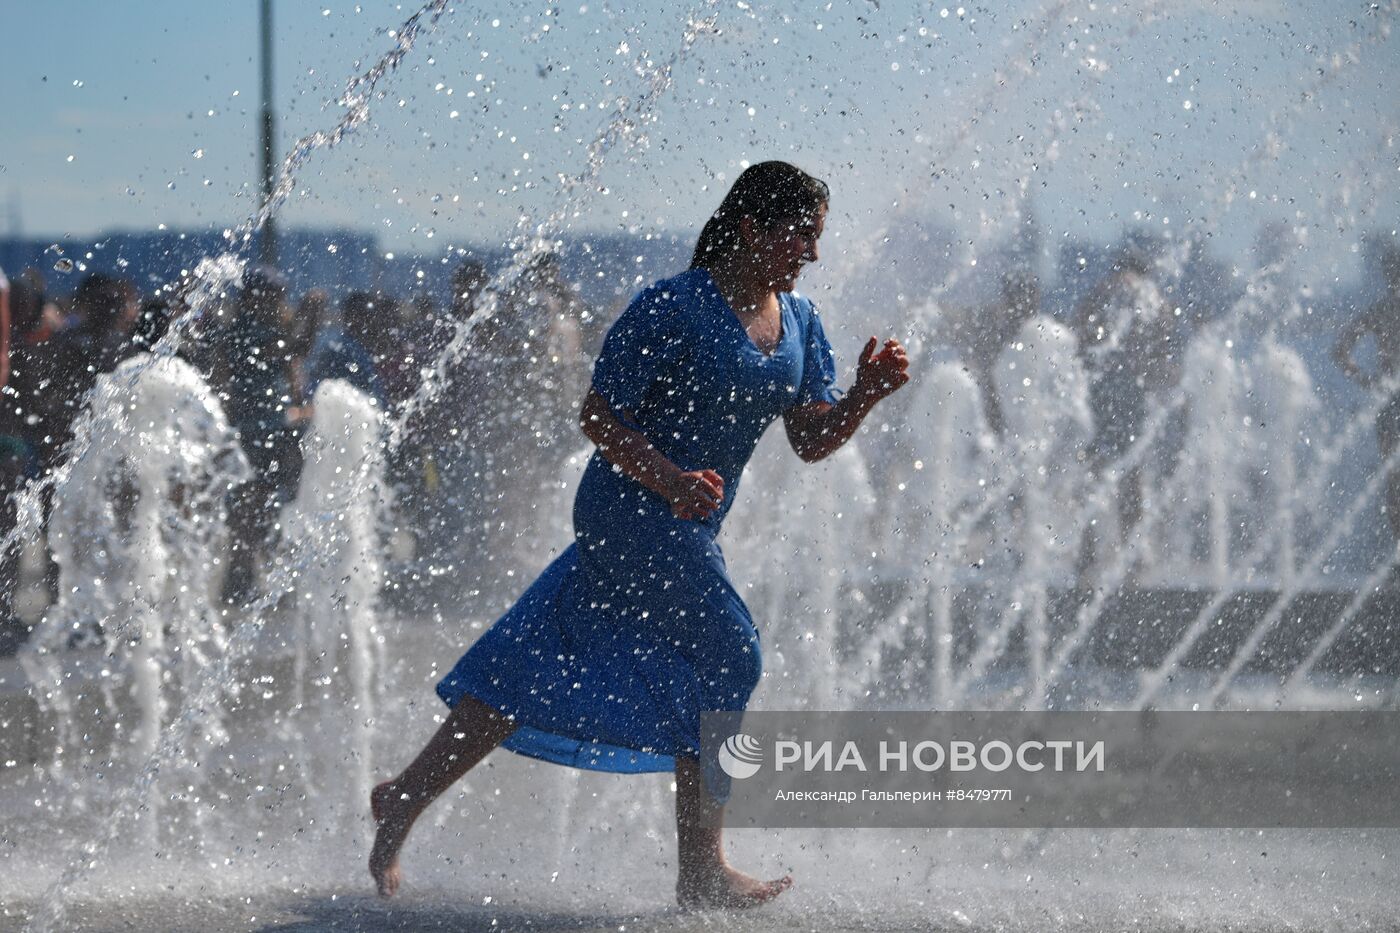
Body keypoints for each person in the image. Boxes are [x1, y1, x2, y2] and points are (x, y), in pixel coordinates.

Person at [369, 162, 910, 906]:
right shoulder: (673, 308)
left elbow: (811, 440)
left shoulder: (802, 323)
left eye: (818, 237)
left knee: (528, 663)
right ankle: (703, 869)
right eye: (801, 234)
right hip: (630, 510)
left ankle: (402, 797)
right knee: (732, 650)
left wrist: (864, 396)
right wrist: (670, 479)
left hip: (688, 519)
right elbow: (598, 415)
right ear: (752, 226)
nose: (813, 252)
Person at [1334, 243, 1400, 537]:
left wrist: (1369, 381)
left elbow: (1339, 352)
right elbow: (1339, 351)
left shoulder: (1379, 310)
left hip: (1388, 400)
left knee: (1394, 478)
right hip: (1389, 401)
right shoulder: (1380, 311)